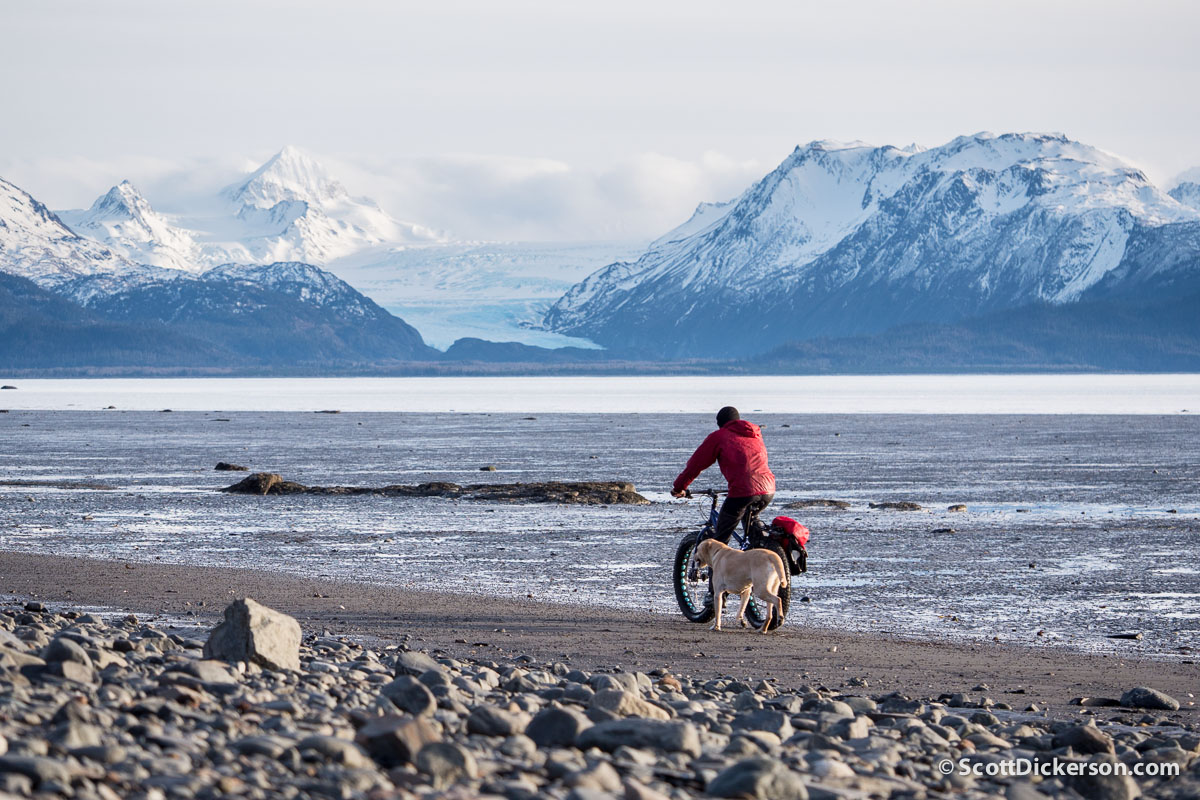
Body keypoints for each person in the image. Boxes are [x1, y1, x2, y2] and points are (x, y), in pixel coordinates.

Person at [671, 406, 776, 544]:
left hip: (743, 490)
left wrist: (679, 487)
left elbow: (695, 465)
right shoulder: (754, 434)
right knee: (753, 534)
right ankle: (758, 552)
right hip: (768, 489)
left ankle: (719, 563)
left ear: (720, 423)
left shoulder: (719, 436)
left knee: (719, 542)